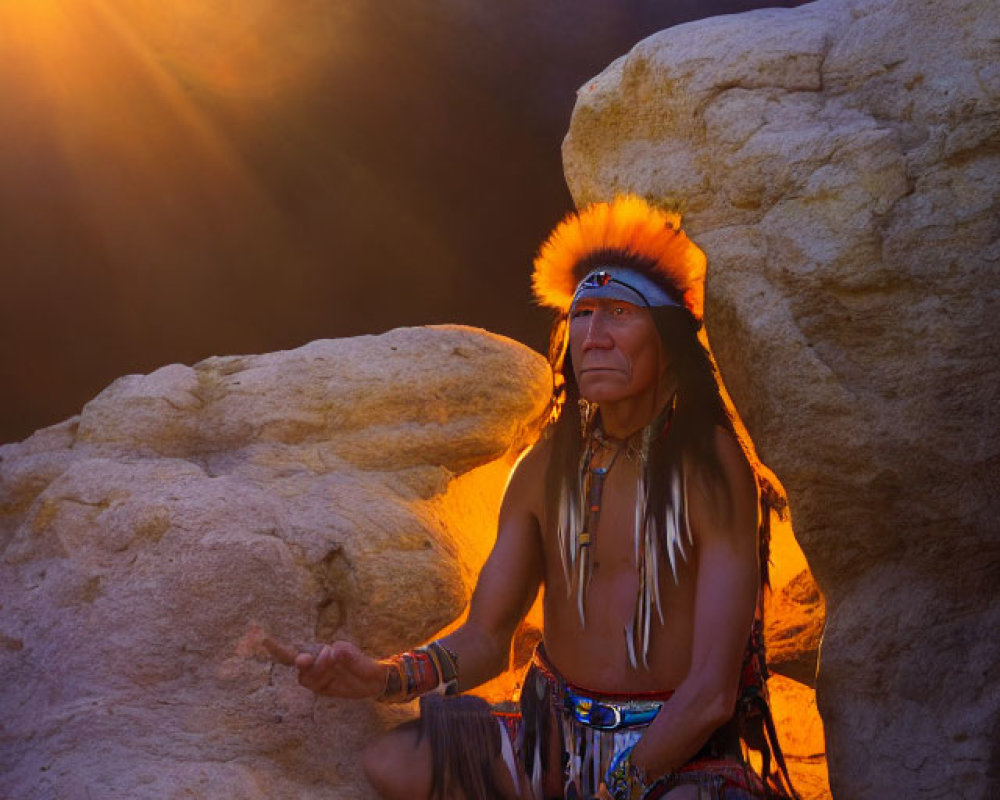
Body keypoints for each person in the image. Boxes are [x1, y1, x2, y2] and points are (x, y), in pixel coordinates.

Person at [277, 195, 798, 800]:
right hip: (550, 737)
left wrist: (620, 786)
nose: (594, 336)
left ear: (670, 340)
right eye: (582, 315)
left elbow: (711, 692)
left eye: (618, 313)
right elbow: (486, 637)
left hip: (673, 751)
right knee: (396, 761)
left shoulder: (712, 468)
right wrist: (384, 677)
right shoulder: (545, 466)